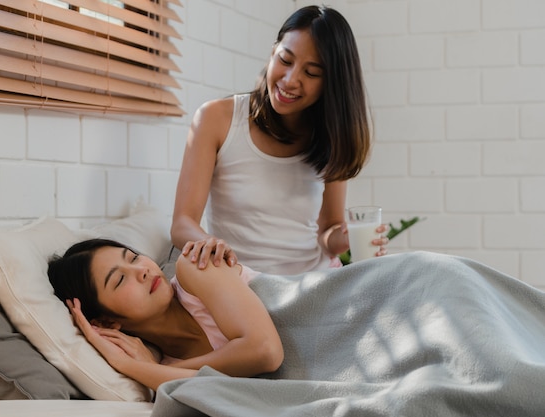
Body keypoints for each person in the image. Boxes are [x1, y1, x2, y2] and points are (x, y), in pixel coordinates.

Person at [171, 5, 387, 275]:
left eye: (311, 73)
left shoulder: (329, 135)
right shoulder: (217, 118)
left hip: (314, 281)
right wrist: (209, 244)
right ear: (273, 52)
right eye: (285, 60)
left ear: (331, 83)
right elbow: (182, 223)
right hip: (242, 284)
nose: (290, 80)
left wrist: (346, 238)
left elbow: (328, 231)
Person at [48, 238, 283, 391]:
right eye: (120, 279)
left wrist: (146, 368)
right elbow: (219, 394)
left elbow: (265, 351)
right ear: (106, 321)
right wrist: (136, 366)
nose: (142, 271)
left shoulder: (193, 267)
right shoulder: (164, 366)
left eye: (133, 257)